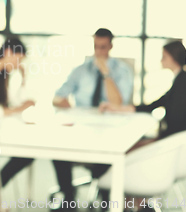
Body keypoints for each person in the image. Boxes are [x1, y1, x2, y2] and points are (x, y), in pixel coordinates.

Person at [51, 28, 134, 206]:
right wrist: (62, 102)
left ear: (111, 46)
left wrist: (106, 74)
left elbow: (119, 103)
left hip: (110, 128)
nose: (99, 52)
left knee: (111, 152)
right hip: (83, 126)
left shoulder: (122, 71)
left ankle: (107, 199)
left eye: (103, 47)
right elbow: (57, 96)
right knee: (57, 147)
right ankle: (68, 199)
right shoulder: (81, 70)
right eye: (96, 47)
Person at [0, 38, 35, 210]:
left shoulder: (3, 76)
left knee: (29, 150)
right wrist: (15, 110)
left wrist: (24, 79)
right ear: (8, 52)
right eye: (18, 59)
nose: (18, 65)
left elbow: (14, 103)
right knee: (27, 151)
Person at [100, 40, 186, 140]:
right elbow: (152, 106)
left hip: (178, 141)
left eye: (164, 57)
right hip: (177, 139)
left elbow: (176, 122)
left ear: (174, 58)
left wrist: (156, 139)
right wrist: (117, 109)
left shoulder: (182, 84)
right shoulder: (181, 80)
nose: (161, 60)